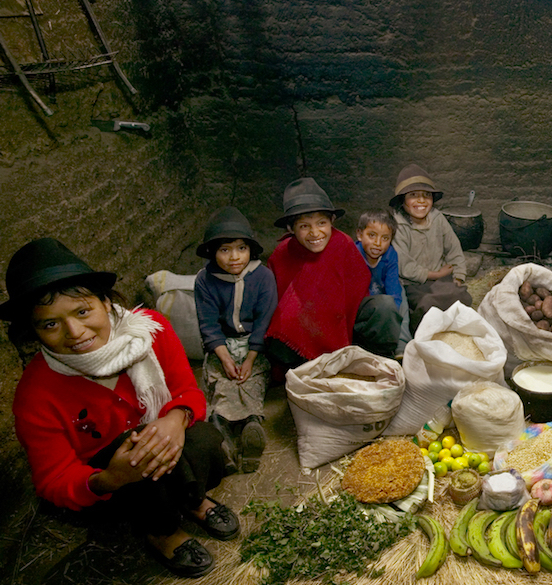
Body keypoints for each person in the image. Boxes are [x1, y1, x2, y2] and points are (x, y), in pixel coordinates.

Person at [3, 238, 238, 578]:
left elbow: (187, 391)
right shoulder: (36, 393)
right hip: (112, 477)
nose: (75, 332)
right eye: (50, 324)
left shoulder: (150, 331)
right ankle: (162, 531)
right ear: (34, 331)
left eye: (83, 311)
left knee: (204, 441)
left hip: (163, 443)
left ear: (105, 302)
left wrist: (176, 417)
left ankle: (193, 500)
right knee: (145, 473)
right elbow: (52, 478)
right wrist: (109, 479)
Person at [265, 178, 400, 367]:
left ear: (332, 221)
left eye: (321, 223)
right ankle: (310, 367)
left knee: (384, 307)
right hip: (305, 332)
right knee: (291, 320)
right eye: (304, 226)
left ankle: (378, 362)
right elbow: (276, 307)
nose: (315, 232)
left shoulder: (342, 244)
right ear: (291, 229)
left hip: (345, 324)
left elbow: (357, 291)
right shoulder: (283, 254)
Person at [194, 206, 277, 474]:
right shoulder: (205, 281)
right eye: (225, 250)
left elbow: (265, 320)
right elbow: (208, 324)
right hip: (223, 346)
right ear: (213, 253)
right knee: (222, 382)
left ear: (251, 250)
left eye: (241, 248)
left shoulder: (263, 277)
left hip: (254, 344)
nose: (234, 257)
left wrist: (252, 356)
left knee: (251, 381)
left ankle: (251, 428)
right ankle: (223, 441)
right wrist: (225, 357)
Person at [390, 164, 472, 333]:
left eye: (426, 196)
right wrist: (437, 274)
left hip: (440, 280)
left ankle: (448, 332)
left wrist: (459, 275)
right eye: (413, 196)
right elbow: (404, 265)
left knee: (463, 297)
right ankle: (421, 335)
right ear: (402, 201)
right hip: (412, 283)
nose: (421, 201)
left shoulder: (437, 218)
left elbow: (453, 248)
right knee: (427, 305)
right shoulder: (398, 225)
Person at [355, 209, 410, 356]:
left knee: (401, 294)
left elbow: (394, 291)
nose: (378, 243)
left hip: (384, 302)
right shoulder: (353, 254)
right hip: (362, 305)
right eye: (372, 236)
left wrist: (391, 316)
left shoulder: (390, 255)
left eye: (385, 238)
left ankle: (402, 344)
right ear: (360, 235)